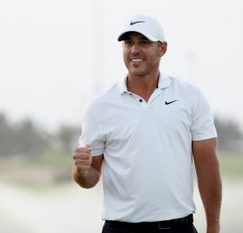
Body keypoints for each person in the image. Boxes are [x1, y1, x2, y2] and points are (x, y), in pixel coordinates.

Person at [72, 14, 222, 233]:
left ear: (162, 48)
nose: (134, 49)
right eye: (129, 43)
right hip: (120, 228)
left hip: (177, 227)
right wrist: (81, 171)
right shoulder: (99, 106)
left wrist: (213, 226)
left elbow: (207, 165)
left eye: (143, 42)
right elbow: (90, 176)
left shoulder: (190, 96)